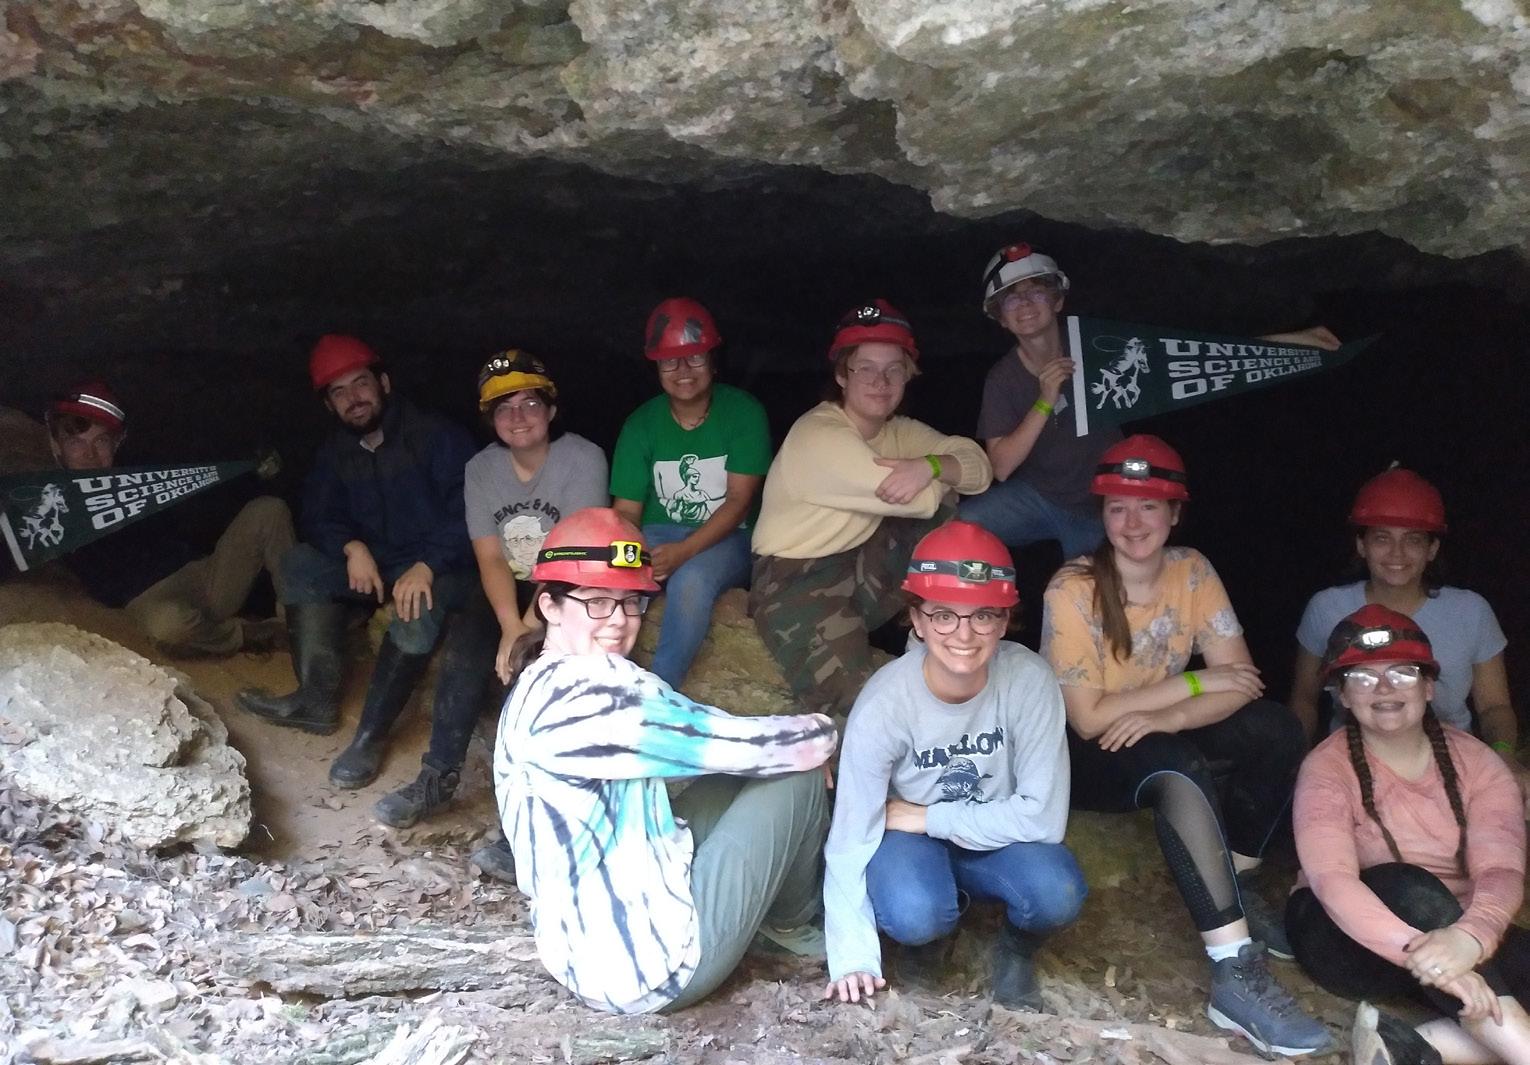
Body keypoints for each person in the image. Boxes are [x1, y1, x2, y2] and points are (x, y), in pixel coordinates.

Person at [1040, 433, 1330, 1057]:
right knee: (1177, 765)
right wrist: (1189, 685)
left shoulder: (1191, 570)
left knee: (1276, 728)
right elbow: (1088, 720)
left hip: (1149, 727)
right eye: (1117, 507)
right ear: (1101, 515)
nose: (1132, 523)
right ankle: (1233, 970)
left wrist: (1168, 716)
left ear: (1175, 513)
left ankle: (1236, 879)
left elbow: (1242, 682)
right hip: (1081, 754)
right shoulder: (1072, 588)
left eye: (1149, 506)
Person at [494, 507, 839, 1014]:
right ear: (550, 604)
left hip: (577, 952)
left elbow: (717, 746)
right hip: (656, 968)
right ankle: (788, 930)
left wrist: (785, 748)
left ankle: (758, 913)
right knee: (799, 773)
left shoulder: (538, 678)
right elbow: (739, 744)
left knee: (754, 770)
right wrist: (822, 736)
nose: (618, 620)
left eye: (630, 602)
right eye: (596, 602)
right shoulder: (597, 691)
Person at [822, 520, 1084, 1010]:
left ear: (1004, 620)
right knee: (915, 912)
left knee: (1057, 890)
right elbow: (850, 837)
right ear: (917, 621)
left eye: (983, 615)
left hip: (981, 836)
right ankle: (929, 941)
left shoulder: (1029, 681)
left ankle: (1016, 950)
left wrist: (927, 816)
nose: (964, 634)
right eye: (943, 615)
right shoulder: (885, 703)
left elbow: (1043, 819)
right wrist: (852, 955)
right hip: (911, 843)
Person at [960, 241, 1341, 558]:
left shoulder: (1099, 347)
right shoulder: (1002, 379)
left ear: (1057, 301)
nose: (1025, 304)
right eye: (1011, 299)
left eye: (1036, 292)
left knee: (1086, 594)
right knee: (959, 524)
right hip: (1039, 497)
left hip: (1103, 503)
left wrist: (1298, 340)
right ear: (1000, 318)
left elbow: (1204, 355)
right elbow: (1001, 467)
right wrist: (1045, 400)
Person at [235, 335, 485, 797]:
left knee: (416, 608)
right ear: (329, 405)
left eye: (361, 383)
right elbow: (318, 513)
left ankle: (370, 736)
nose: (354, 398)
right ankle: (316, 700)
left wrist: (428, 564)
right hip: (380, 564)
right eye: (339, 392)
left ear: (383, 383)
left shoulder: (437, 436)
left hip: (443, 566)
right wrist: (351, 546)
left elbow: (471, 512)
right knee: (301, 564)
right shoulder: (336, 451)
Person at [1290, 604, 1530, 1065]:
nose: (1384, 689)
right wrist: (1438, 963)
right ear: (1342, 695)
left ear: (1429, 686)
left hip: (1455, 933)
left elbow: (1501, 870)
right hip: (1342, 937)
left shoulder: (1480, 764)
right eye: (1362, 677)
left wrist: (1471, 938)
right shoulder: (1325, 768)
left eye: (1402, 673)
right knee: (1408, 885)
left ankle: (1410, 1048)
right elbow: (1333, 881)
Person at [398, 351, 607, 868]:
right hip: (510, 583)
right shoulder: (482, 468)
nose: (518, 416)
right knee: (467, 648)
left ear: (551, 410)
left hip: (573, 583)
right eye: (503, 408)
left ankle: (529, 828)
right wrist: (511, 625)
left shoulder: (583, 459)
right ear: (490, 420)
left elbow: (573, 554)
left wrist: (531, 628)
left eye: (530, 403)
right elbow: (490, 555)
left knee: (537, 680)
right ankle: (438, 774)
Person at [750, 300, 993, 722]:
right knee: (862, 707)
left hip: (856, 559)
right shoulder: (818, 433)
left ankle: (929, 624)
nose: (881, 382)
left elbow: (979, 468)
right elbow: (913, 499)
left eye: (894, 369)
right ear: (842, 375)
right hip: (794, 580)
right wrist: (935, 473)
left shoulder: (898, 432)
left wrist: (931, 465)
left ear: (907, 375)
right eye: (865, 369)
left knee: (947, 509)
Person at [1290, 467, 1527, 803]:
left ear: (1432, 549)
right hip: (1352, 770)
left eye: (1413, 539)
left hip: (1454, 769)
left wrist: (1503, 755)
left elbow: (1494, 706)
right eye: (1382, 538)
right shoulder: (1326, 608)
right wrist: (1300, 764)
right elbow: (1304, 700)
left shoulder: (1471, 611)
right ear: (1361, 545)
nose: (1397, 554)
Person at [44, 379, 294, 655]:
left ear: (116, 444)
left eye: (101, 441)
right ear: (57, 446)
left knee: (269, 510)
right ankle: (248, 635)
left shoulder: (141, 474)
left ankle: (297, 623)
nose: (90, 454)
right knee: (169, 626)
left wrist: (250, 471)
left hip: (203, 577)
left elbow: (207, 503)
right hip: (151, 601)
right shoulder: (46, 502)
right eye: (76, 442)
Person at [609, 298, 771, 690]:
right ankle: (603, 677)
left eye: (695, 357)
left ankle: (658, 694)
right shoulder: (641, 424)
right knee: (614, 568)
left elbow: (738, 502)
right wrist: (633, 557)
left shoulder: (744, 412)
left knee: (691, 580)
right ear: (656, 368)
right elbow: (626, 512)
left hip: (730, 536)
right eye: (670, 361)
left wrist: (683, 552)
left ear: (713, 360)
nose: (683, 370)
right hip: (656, 533)